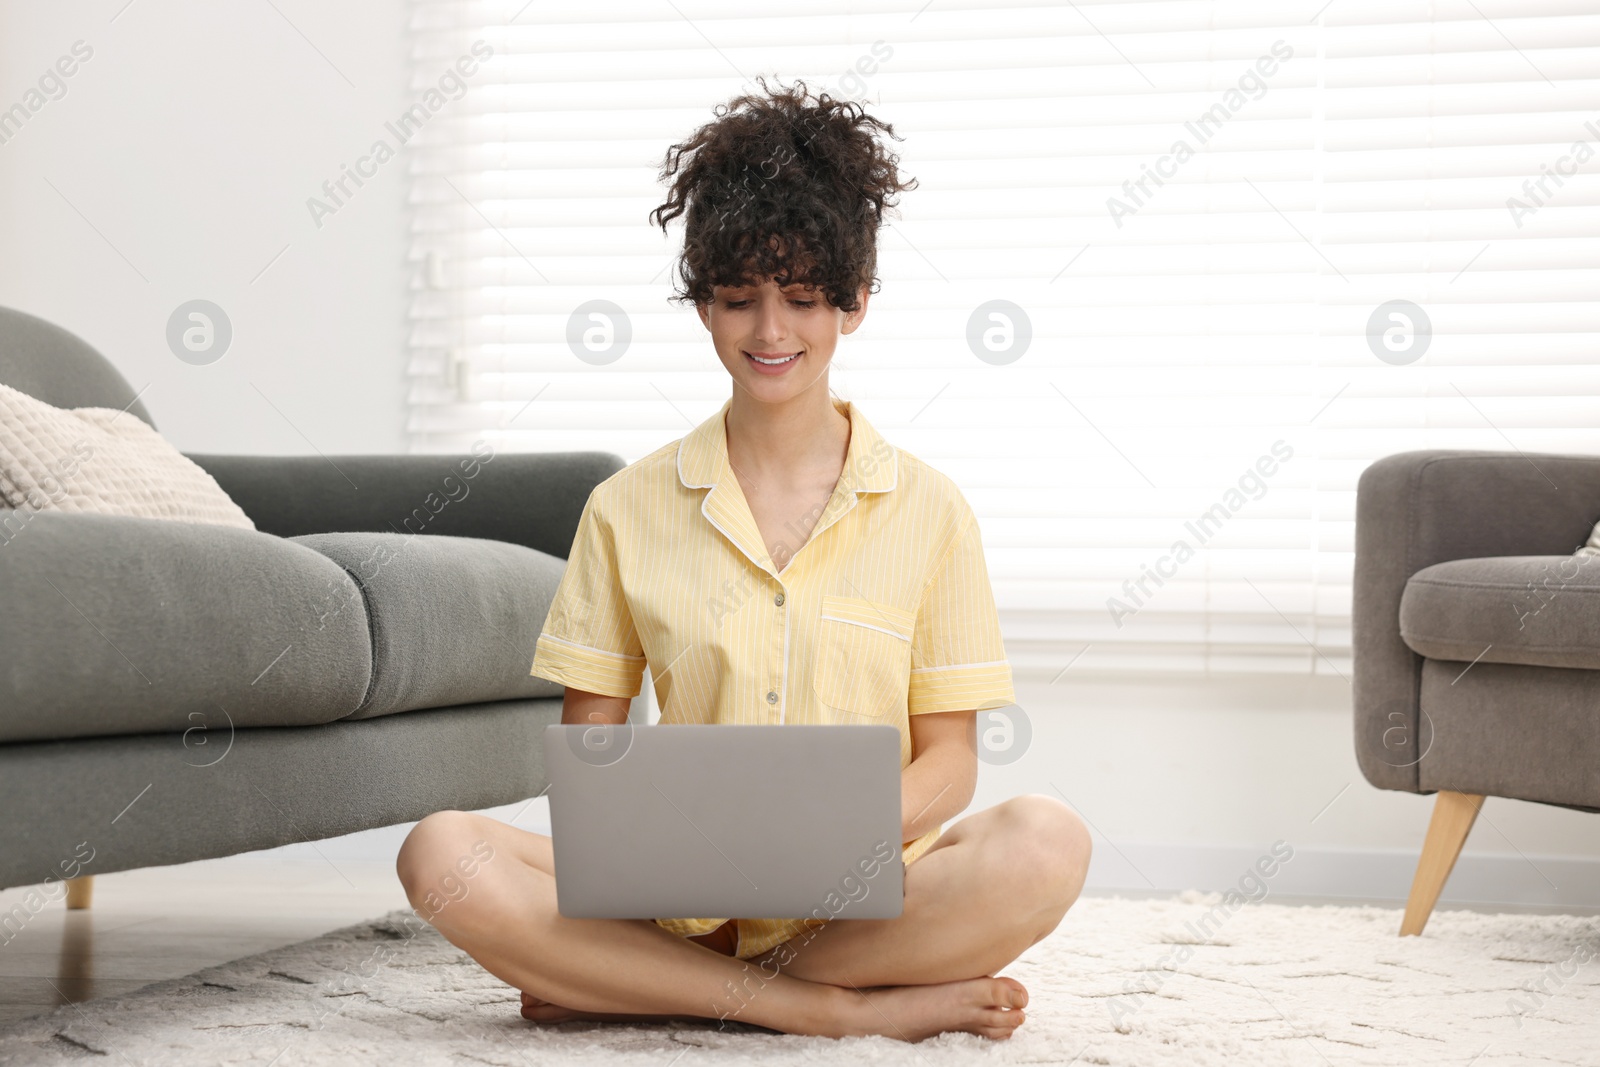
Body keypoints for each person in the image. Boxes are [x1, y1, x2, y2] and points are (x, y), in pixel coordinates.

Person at [396, 76, 1091, 1043]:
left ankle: (647, 986)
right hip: (685, 902)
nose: (770, 332)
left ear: (851, 304)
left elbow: (951, 763)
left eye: (803, 299)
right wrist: (678, 852)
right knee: (440, 851)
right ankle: (826, 1011)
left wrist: (827, 839)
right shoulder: (624, 508)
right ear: (704, 306)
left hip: (865, 897)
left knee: (1048, 841)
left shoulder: (931, 511)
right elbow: (589, 754)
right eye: (739, 300)